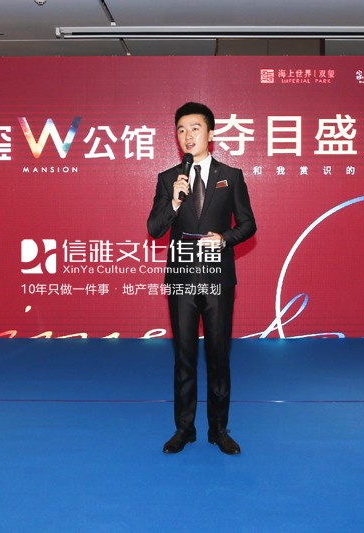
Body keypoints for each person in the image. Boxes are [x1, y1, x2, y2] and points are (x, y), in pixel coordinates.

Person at [147, 102, 256, 455]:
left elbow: (248, 224)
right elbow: (154, 229)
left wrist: (224, 238)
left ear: (210, 133)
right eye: (181, 129)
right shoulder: (168, 179)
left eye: (195, 128)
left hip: (217, 278)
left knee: (218, 356)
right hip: (181, 279)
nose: (187, 135)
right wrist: (175, 203)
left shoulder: (232, 175)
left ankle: (218, 430)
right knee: (184, 357)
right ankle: (184, 429)